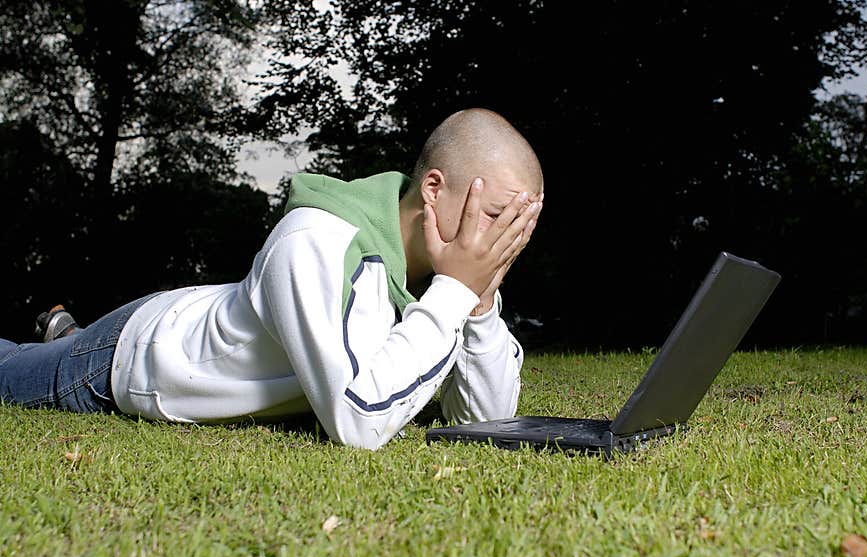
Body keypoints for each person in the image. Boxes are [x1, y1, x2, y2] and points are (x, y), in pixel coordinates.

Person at [0, 108, 544, 450]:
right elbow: (358, 423)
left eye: (520, 226)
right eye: (498, 217)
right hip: (136, 355)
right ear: (433, 190)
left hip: (196, 328)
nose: (502, 241)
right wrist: (455, 292)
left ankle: (65, 330)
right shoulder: (316, 241)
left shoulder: (446, 268)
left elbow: (487, 420)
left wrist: (478, 300)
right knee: (12, 371)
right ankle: (72, 342)